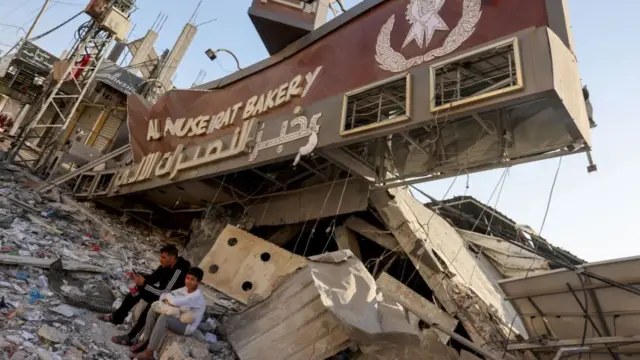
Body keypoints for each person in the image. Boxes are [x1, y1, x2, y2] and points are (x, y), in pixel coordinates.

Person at [100, 245, 191, 345]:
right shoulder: (166, 266)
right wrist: (138, 277)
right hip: (162, 294)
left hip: (173, 302)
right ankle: (117, 317)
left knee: (152, 305)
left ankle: (132, 337)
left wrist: (144, 284)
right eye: (161, 257)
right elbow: (153, 278)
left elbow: (164, 293)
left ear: (172, 258)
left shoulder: (179, 272)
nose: (161, 260)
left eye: (164, 258)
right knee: (136, 292)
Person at [130, 267, 207, 360]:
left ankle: (149, 353)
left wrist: (169, 298)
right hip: (178, 316)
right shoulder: (185, 289)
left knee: (164, 318)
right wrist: (169, 297)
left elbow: (174, 302)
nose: (188, 281)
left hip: (187, 326)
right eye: (187, 278)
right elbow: (164, 295)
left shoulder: (196, 296)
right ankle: (145, 341)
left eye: (193, 280)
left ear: (198, 282)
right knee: (153, 310)